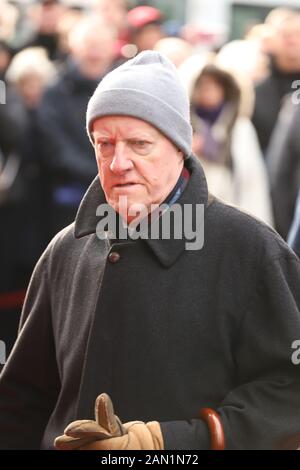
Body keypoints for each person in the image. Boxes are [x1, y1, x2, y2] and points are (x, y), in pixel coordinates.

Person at [0, 51, 300, 450]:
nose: (118, 162)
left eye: (139, 144)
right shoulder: (64, 251)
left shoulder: (251, 249)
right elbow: (21, 401)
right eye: (104, 144)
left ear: (180, 147)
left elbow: (288, 391)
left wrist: (168, 442)